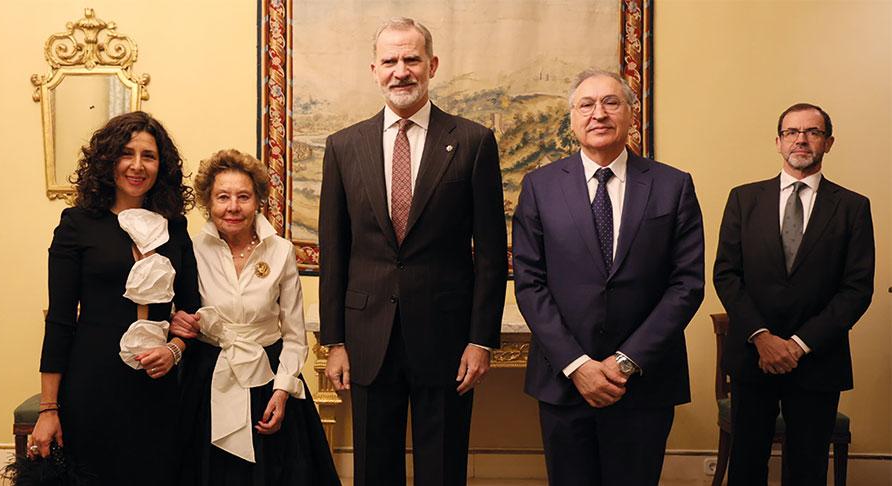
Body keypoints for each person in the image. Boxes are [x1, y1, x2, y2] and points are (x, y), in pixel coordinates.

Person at [318, 17, 508, 486]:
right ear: (374, 70)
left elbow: (490, 254)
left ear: (432, 65)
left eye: (411, 59)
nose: (400, 71)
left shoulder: (473, 142)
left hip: (447, 339)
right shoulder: (344, 146)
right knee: (373, 469)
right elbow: (334, 251)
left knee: (442, 469)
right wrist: (334, 342)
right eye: (390, 61)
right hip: (367, 339)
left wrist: (481, 340)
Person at [512, 69, 705, 486]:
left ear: (631, 115)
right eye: (586, 105)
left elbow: (686, 284)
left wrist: (624, 362)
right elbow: (530, 282)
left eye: (610, 103)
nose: (598, 113)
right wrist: (577, 364)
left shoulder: (673, 186)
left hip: (644, 382)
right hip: (564, 381)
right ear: (572, 118)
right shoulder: (540, 187)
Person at [28, 111, 200, 485]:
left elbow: (190, 311)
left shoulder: (176, 227)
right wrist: (48, 408)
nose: (137, 165)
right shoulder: (77, 224)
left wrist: (173, 350)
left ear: (162, 165)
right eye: (126, 153)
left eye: (148, 156)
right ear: (108, 160)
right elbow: (59, 320)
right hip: (92, 384)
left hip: (157, 389)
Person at [713, 103, 874, 485]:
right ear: (778, 142)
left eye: (813, 132)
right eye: (792, 132)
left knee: (808, 470)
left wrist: (799, 345)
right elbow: (726, 274)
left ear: (828, 143)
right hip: (753, 357)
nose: (801, 139)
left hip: (818, 361)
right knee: (746, 467)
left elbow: (856, 288)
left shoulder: (853, 207)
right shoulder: (743, 199)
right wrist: (762, 338)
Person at [170, 149, 339, 485]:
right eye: (223, 197)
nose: (233, 207)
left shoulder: (281, 251)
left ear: (258, 200)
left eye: (243, 197)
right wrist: (176, 319)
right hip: (206, 379)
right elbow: (176, 309)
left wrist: (282, 391)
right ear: (208, 202)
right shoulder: (192, 250)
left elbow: (294, 336)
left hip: (268, 380)